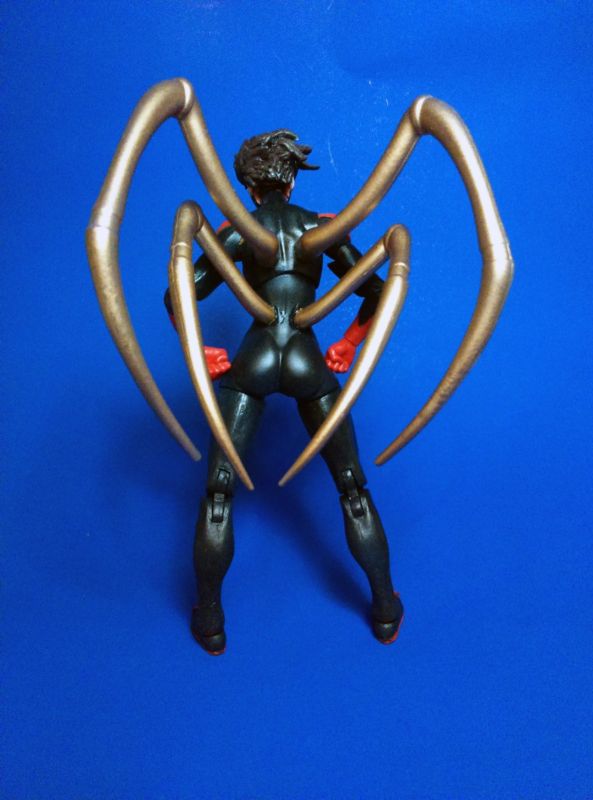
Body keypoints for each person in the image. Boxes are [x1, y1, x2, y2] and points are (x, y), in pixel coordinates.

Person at [164, 129, 403, 654]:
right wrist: (348, 343)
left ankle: (210, 619)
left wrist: (198, 349)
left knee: (219, 494)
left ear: (249, 188)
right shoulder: (321, 226)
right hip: (303, 353)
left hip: (255, 355)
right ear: (291, 182)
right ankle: (385, 606)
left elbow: (178, 293)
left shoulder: (239, 230)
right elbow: (379, 290)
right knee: (352, 487)